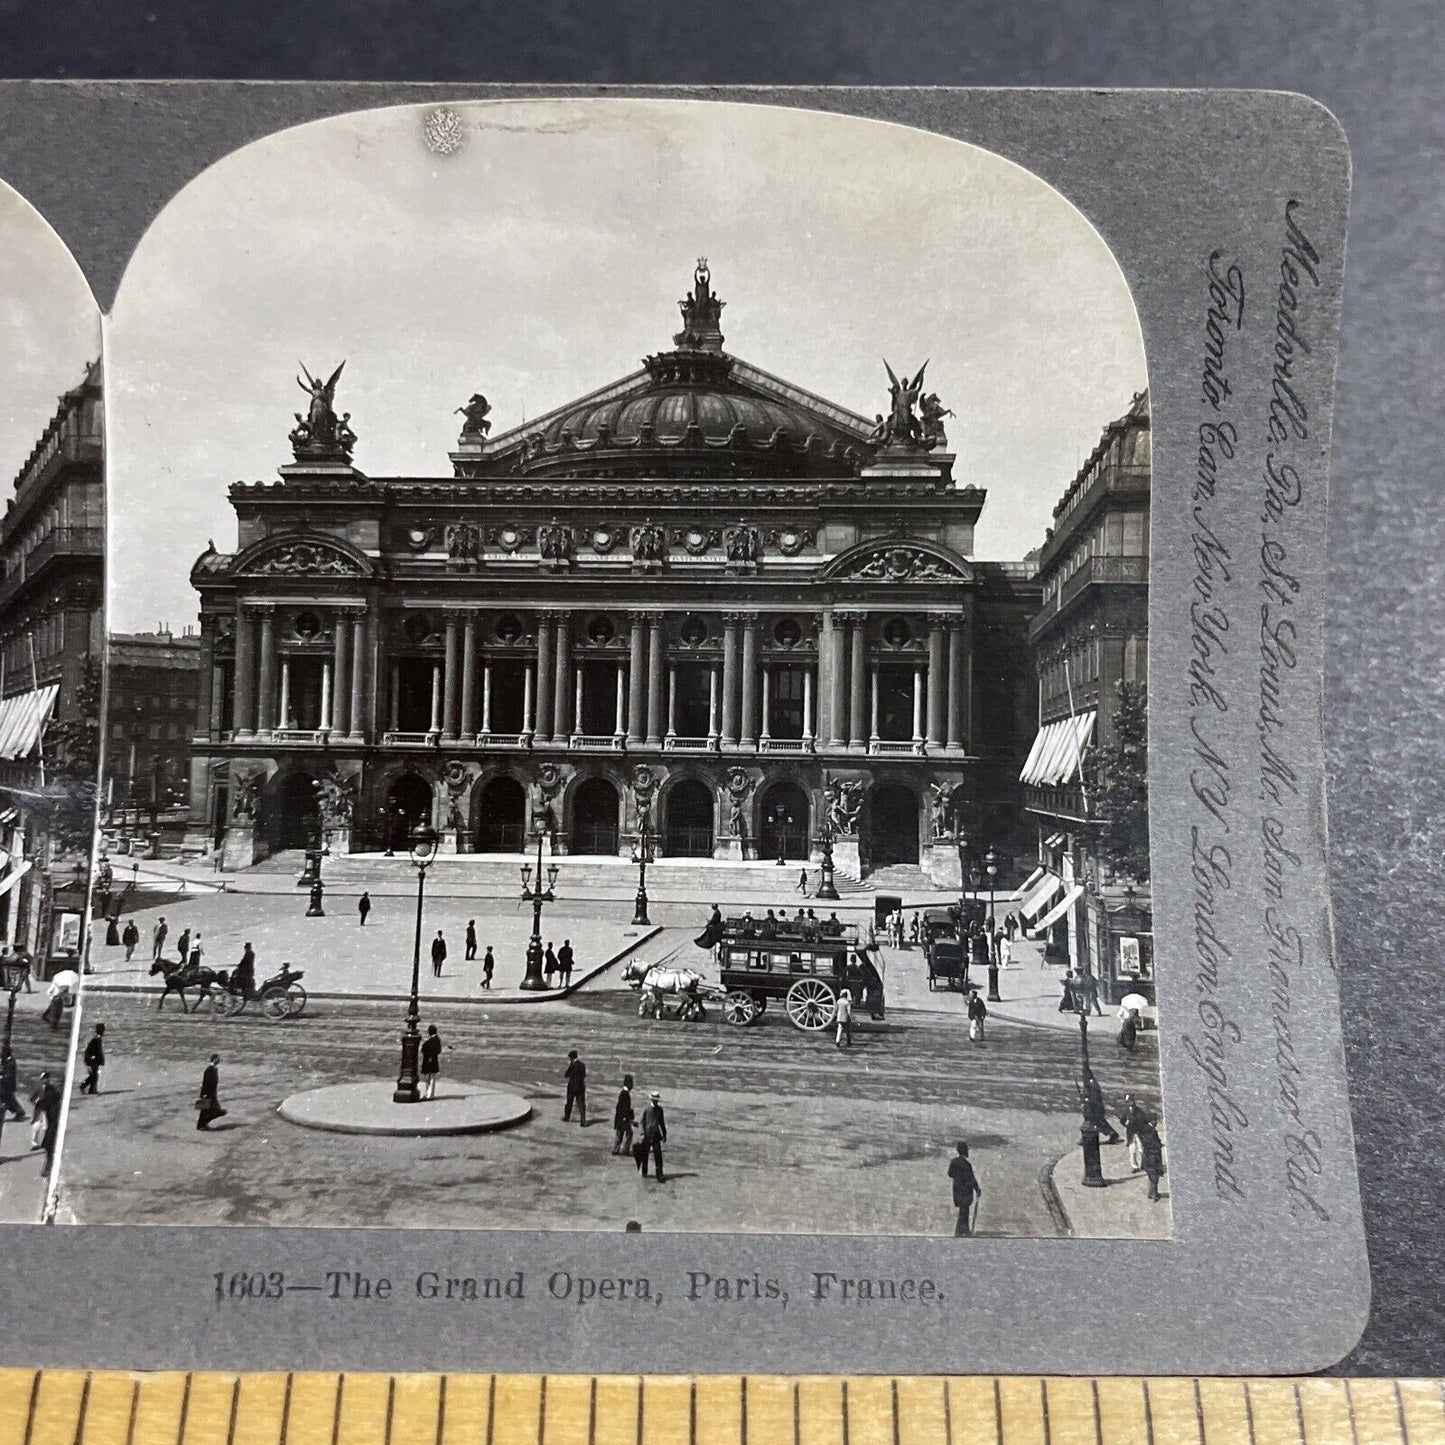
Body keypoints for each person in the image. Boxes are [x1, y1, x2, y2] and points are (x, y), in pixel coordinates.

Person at [948, 1141, 982, 1236]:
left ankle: (960, 1231)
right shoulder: (967, 1165)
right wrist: (977, 1189)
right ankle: (963, 1231)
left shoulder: (954, 1162)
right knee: (965, 1212)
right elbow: (971, 1178)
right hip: (965, 1191)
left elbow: (950, 1174)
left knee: (962, 1212)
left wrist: (958, 1177)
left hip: (957, 1190)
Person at [1082, 1070, 1122, 1143]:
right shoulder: (1092, 1084)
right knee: (1098, 1122)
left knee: (1097, 1122)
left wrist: (1087, 1102)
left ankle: (1113, 1134)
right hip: (1096, 1108)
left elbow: (1094, 1098)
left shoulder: (1092, 1085)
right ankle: (1113, 1134)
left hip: (1095, 1108)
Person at [33, 1072, 60, 1175]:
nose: (44, 1080)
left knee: (50, 1146)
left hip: (52, 1122)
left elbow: (47, 1102)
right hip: (49, 1120)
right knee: (49, 1146)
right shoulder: (44, 1090)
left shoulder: (50, 1091)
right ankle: (48, 1167)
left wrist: (39, 1104)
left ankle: (48, 1168)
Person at [638, 1090, 667, 1181]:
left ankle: (659, 1174)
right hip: (647, 1135)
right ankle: (644, 1171)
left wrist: (664, 1134)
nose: (656, 1101)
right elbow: (642, 1122)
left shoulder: (660, 1110)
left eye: (657, 1099)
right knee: (645, 1155)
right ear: (651, 1100)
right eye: (654, 1099)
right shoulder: (647, 1109)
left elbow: (662, 1122)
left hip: (656, 1135)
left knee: (658, 1156)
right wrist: (642, 1133)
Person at [1136, 1114, 1166, 1201]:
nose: (1156, 1123)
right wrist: (1160, 1144)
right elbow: (1155, 1143)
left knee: (1150, 1176)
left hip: (1147, 1155)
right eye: (1155, 1121)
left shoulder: (1143, 1129)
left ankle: (1150, 1192)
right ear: (1151, 1121)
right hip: (1153, 1156)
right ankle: (1155, 1195)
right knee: (1154, 1177)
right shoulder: (1152, 1131)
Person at [196, 1054, 226, 1129]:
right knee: (208, 1110)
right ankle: (202, 1125)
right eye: (218, 1059)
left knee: (206, 1110)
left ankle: (202, 1125)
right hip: (209, 1093)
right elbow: (205, 1082)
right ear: (215, 1060)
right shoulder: (210, 1070)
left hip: (211, 1093)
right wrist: (204, 1093)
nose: (219, 1061)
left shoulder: (213, 1069)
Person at [612, 1073, 636, 1156]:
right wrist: (628, 1117)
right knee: (629, 1133)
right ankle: (625, 1149)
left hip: (620, 1118)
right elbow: (625, 1108)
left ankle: (616, 1149)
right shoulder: (625, 1094)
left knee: (620, 1133)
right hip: (623, 1118)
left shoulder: (623, 1093)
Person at [0, 1047, 25, 1121]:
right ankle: (19, 1111)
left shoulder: (11, 1062)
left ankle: (19, 1111)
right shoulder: (9, 1061)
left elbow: (8, 1075)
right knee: (8, 1100)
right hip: (6, 1085)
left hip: (7, 1085)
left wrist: (2, 1077)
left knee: (8, 1100)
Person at [80, 1023, 105, 1094]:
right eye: (103, 1030)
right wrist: (100, 1060)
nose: (104, 1031)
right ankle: (84, 1085)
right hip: (93, 1060)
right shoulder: (97, 1039)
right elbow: (98, 1051)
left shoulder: (97, 1038)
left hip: (92, 1059)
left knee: (94, 1075)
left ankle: (92, 1089)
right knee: (94, 1076)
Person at [563, 1049, 587, 1125]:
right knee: (581, 1103)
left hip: (572, 1087)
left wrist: (570, 1066)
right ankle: (583, 1120)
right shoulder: (582, 1065)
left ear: (571, 1058)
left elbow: (566, 1075)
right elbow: (584, 1075)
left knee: (569, 1102)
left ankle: (567, 1117)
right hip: (580, 1086)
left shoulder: (572, 1065)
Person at [420, 1025, 442, 1100]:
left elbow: (423, 1049)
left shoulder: (430, 1041)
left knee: (429, 1079)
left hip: (429, 1061)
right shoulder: (437, 1040)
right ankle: (429, 1094)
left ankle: (428, 1095)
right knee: (431, 1078)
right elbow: (438, 1051)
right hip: (433, 1061)